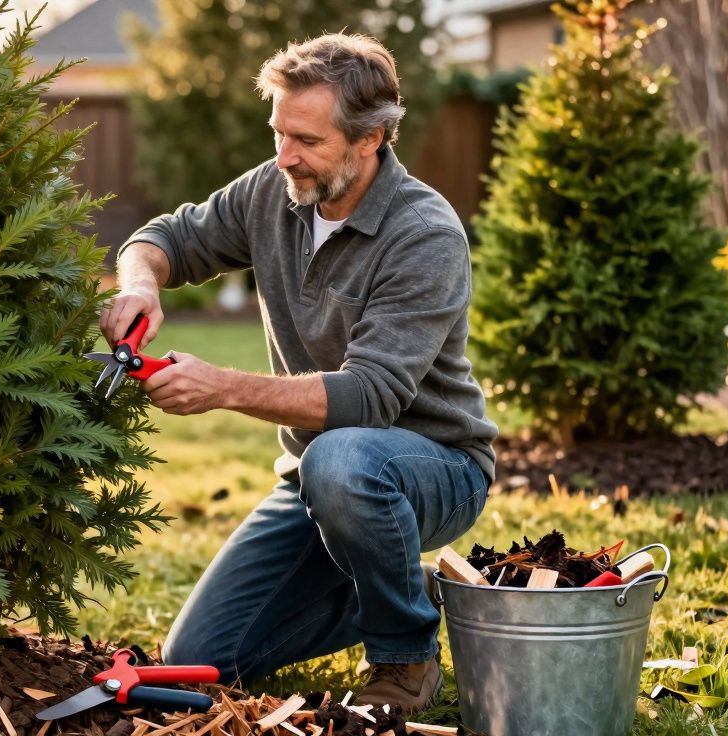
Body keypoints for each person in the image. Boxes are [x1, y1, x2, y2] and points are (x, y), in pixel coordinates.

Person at [100, 32, 498, 714]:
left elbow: (368, 398)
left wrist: (222, 387)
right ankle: (406, 583)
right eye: (278, 132)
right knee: (196, 660)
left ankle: (404, 656)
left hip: (437, 467)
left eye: (307, 140)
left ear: (371, 138)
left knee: (343, 458)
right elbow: (165, 237)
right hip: (321, 481)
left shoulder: (424, 233)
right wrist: (140, 283)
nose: (285, 156)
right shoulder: (272, 191)